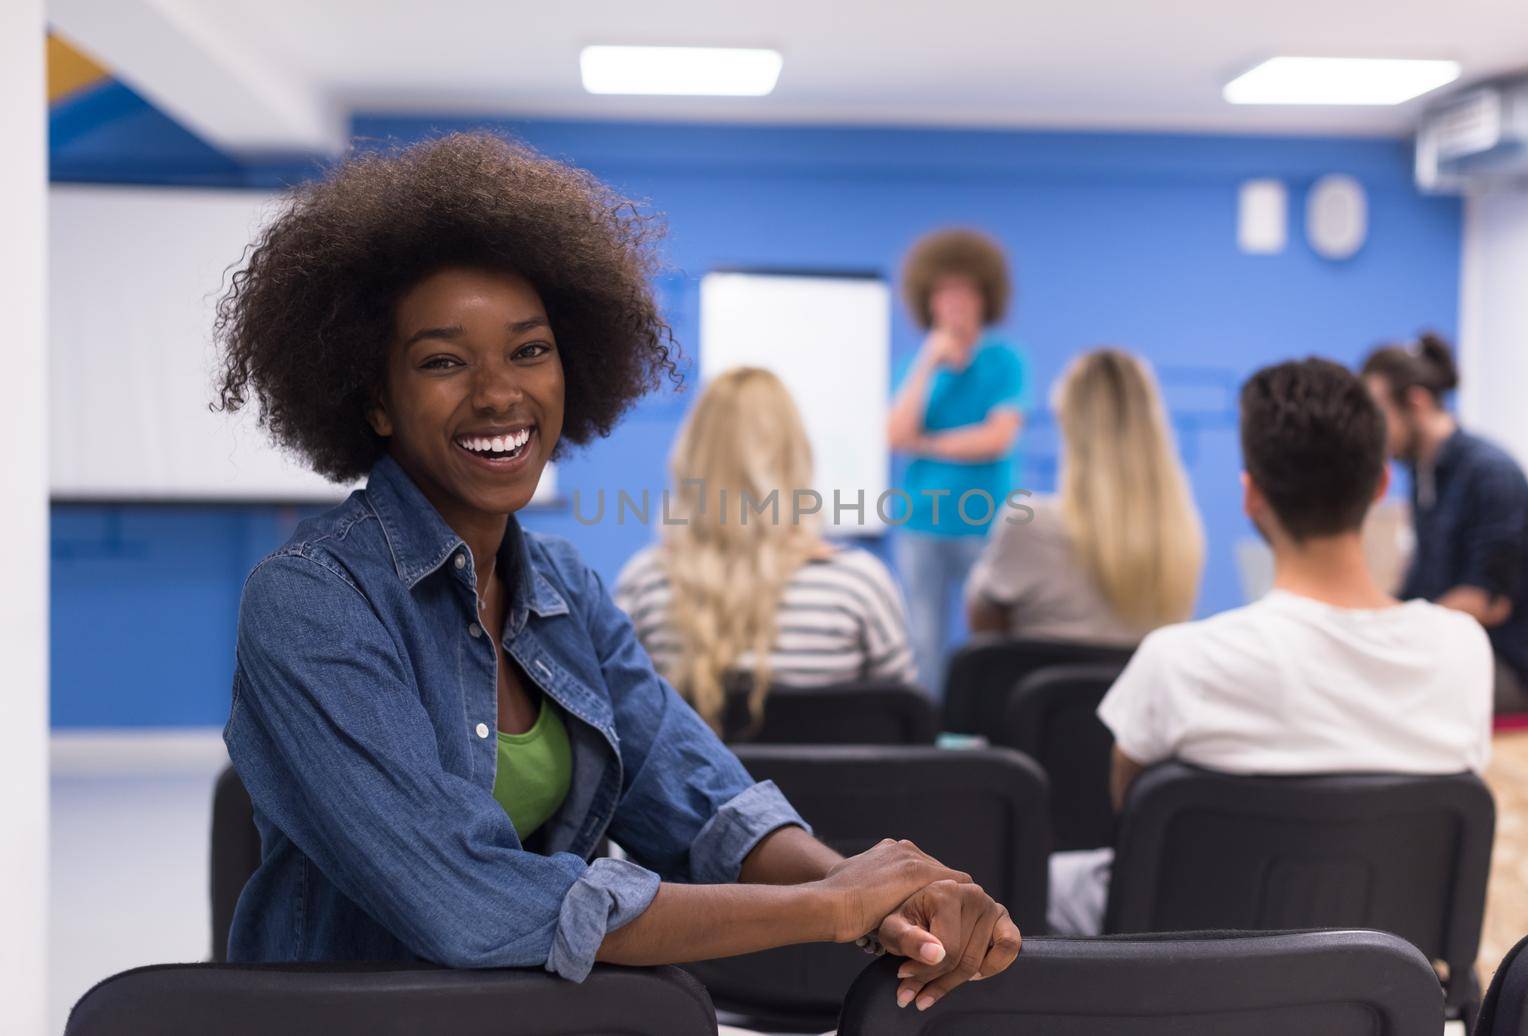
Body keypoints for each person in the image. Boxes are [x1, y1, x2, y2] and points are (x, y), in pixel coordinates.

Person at [212, 132, 1018, 1012]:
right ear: (372, 397)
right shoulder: (312, 601)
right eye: (443, 361)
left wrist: (883, 901)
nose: (497, 394)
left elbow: (705, 806)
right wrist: (826, 908)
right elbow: (469, 902)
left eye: (529, 351)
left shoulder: (562, 590)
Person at [1049, 357, 1492, 936]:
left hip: (1193, 982)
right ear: (1381, 484)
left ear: (1251, 495)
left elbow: (1131, 827)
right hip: (1379, 981)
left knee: (1047, 882)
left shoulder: (1181, 661)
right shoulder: (1463, 650)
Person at [614, 367, 916, 737]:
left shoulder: (645, 585)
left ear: (692, 458)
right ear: (797, 457)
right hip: (827, 797)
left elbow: (620, 728)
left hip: (694, 798)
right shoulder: (858, 586)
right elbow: (907, 731)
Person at [1361, 333, 1528, 714]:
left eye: (1379, 414)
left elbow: (1486, 602)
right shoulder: (1424, 474)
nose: (1374, 433)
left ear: (1415, 402)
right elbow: (1419, 587)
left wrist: (1392, 634)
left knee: (1379, 696)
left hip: (1507, 669)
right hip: (1449, 653)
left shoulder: (1490, 472)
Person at [965, 348, 1203, 644]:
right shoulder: (1180, 536)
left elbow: (984, 626)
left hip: (1044, 688)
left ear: (1068, 423)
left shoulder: (1030, 524)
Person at [887, 228, 1030, 695]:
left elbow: (996, 438)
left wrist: (926, 443)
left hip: (984, 522)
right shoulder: (916, 364)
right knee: (922, 640)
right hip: (922, 525)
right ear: (928, 301)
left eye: (964, 292)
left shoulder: (1006, 360)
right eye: (943, 293)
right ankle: (928, 734)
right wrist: (929, 362)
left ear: (985, 298)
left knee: (990, 639)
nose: (954, 303)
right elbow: (894, 434)